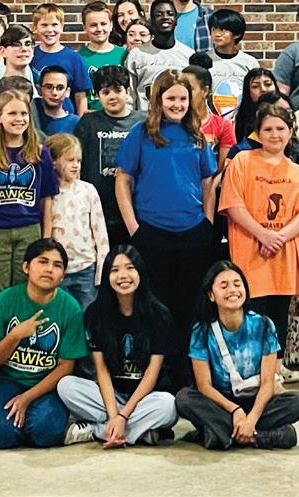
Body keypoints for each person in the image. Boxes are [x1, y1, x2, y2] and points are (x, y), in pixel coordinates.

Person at [115, 71, 220, 380]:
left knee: (188, 305)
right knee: (155, 306)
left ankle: (186, 372)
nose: (177, 104)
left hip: (193, 233)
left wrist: (208, 221)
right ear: (158, 100)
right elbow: (123, 179)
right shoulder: (141, 134)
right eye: (171, 98)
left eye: (183, 98)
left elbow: (208, 181)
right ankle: (157, 373)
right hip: (151, 231)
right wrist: (133, 226)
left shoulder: (197, 136)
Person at [219, 103, 299, 383]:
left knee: (278, 314)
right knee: (250, 312)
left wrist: (279, 237)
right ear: (258, 133)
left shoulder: (298, 173)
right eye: (268, 129)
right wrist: (263, 235)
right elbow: (232, 204)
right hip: (250, 253)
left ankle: (275, 367)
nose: (275, 135)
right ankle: (248, 368)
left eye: (281, 129)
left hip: (283, 255)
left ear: (290, 132)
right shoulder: (242, 161)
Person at [174, 261, 299, 450]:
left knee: (297, 402)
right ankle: (259, 437)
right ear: (211, 295)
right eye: (224, 286)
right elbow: (204, 386)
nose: (232, 290)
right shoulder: (201, 331)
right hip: (221, 404)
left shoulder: (264, 325)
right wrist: (235, 410)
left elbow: (267, 383)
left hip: (257, 402)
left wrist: (251, 419)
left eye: (237, 284)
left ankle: (219, 433)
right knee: (184, 398)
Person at [57, 245, 179, 448]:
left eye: (130, 268)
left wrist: (123, 416)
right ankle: (139, 432)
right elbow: (101, 369)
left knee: (168, 406)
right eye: (115, 270)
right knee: (66, 385)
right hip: (110, 396)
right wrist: (115, 414)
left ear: (140, 273)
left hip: (145, 397)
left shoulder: (159, 314)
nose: (123, 276)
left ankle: (97, 430)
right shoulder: (96, 314)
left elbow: (152, 373)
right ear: (106, 276)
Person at [0, 238, 89, 448]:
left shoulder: (70, 308)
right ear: (26, 267)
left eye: (57, 265)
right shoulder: (5, 300)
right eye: (43, 261)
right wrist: (14, 336)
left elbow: (66, 366)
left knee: (45, 433)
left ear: (63, 275)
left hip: (47, 383)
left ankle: (33, 422)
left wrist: (26, 398)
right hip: (7, 380)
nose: (49, 269)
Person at [0, 87, 58, 290]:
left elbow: (47, 200)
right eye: (12, 113)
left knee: (26, 288)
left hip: (30, 230)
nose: (19, 119)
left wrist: (45, 239)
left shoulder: (40, 152)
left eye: (24, 113)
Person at [74, 65, 146, 248]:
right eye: (105, 92)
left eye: (117, 90)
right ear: (98, 95)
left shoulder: (143, 122)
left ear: (128, 91)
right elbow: (77, 162)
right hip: (99, 209)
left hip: (137, 208)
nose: (112, 96)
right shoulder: (88, 122)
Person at [46, 134, 110, 309]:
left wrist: (101, 271)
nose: (76, 165)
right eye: (70, 160)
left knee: (88, 316)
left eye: (79, 161)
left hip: (86, 269)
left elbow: (100, 233)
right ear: (54, 162)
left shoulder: (88, 190)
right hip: (58, 269)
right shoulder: (47, 195)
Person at [124, 0, 195, 110]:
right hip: (145, 118)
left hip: (178, 118)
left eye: (170, 14)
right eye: (159, 14)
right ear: (151, 21)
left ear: (176, 20)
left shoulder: (189, 55)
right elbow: (130, 98)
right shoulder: (137, 55)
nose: (165, 17)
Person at [32, 3, 93, 115]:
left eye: (54, 24)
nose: (50, 30)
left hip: (66, 120)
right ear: (35, 27)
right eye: (44, 25)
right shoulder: (30, 56)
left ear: (62, 27)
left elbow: (80, 97)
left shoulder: (74, 59)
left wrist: (81, 123)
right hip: (36, 119)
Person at [201, 8, 260, 121]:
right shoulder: (204, 59)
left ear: (236, 34)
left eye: (223, 30)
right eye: (214, 29)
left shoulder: (249, 62)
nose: (217, 34)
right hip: (211, 121)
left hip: (242, 120)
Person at [181, 65, 236, 168]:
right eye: (182, 89)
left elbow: (224, 167)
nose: (184, 94)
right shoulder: (174, 123)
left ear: (205, 91)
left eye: (190, 89)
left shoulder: (222, 126)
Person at [77, 1, 127, 111]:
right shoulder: (78, 58)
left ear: (111, 25)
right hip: (92, 115)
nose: (99, 29)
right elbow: (80, 96)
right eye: (93, 25)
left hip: (120, 115)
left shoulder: (124, 54)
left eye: (103, 24)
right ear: (85, 28)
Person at [232, 68, 281, 145]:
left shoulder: (286, 109)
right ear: (248, 92)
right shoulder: (239, 119)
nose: (263, 89)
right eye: (255, 86)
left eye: (268, 84)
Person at [36, 66, 81, 135]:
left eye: (60, 88)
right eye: (48, 87)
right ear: (39, 90)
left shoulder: (76, 123)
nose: (54, 93)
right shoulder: (31, 114)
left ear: (67, 92)